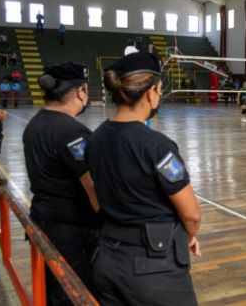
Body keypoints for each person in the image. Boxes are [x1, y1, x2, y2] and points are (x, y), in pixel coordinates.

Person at [86, 52, 201, 305]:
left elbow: (95, 195)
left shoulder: (94, 139)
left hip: (107, 257)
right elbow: (192, 215)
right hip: (153, 269)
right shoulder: (157, 146)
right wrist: (187, 234)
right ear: (150, 93)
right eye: (160, 90)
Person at [22, 63, 99, 306]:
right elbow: (92, 186)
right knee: (75, 293)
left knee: (54, 289)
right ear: (80, 92)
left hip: (45, 220)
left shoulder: (36, 124)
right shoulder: (72, 132)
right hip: (73, 231)